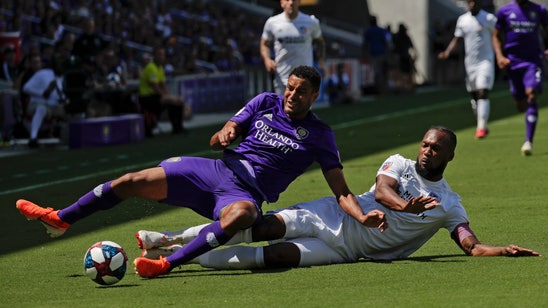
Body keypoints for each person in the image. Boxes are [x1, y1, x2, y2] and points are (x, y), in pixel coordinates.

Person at [15, 66, 387, 278]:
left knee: (242, 215)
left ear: (314, 96)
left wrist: (362, 217)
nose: (292, 96)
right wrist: (224, 133)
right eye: (290, 88)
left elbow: (341, 191)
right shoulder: (264, 103)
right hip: (212, 171)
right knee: (131, 181)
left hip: (241, 194)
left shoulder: (320, 135)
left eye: (301, 92)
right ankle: (60, 218)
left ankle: (165, 264)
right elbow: (218, 137)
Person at [137, 126, 539, 271]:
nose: (427, 151)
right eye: (425, 145)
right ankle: (170, 239)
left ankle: (200, 259)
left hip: (349, 250)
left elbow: (469, 244)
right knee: (259, 226)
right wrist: (403, 207)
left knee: (276, 258)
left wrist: (501, 250)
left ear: (450, 155)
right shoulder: (399, 163)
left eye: (436, 148)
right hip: (332, 214)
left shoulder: (450, 204)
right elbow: (381, 191)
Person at [492, 0, 548, 155]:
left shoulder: (539, 10)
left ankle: (528, 141)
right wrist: (499, 56)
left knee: (532, 94)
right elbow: (496, 36)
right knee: (521, 104)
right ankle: (522, 101)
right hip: (513, 63)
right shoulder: (504, 11)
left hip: (533, 61)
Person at [438, 0, 497, 140]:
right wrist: (447, 52)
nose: (472, 4)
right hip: (470, 64)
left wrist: (501, 54)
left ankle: (481, 128)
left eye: (475, 2)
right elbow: (457, 39)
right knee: (475, 96)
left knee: (483, 91)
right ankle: (482, 123)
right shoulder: (462, 20)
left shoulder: (489, 18)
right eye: (469, 2)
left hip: (486, 61)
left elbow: (497, 37)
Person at [260, 0, 326, 94]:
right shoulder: (272, 23)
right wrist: (266, 59)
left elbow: (320, 42)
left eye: (294, 0)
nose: (291, 3)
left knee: (303, 109)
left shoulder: (311, 22)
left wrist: (321, 61)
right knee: (282, 108)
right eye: (287, 0)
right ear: (282, 3)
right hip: (281, 78)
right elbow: (264, 43)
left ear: (298, 2)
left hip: (305, 79)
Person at [22, 54, 68, 148]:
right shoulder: (42, 73)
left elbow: (61, 98)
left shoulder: (63, 77)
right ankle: (33, 138)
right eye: (59, 63)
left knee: (71, 111)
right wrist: (43, 93)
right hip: (37, 103)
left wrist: (63, 99)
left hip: (54, 107)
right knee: (41, 109)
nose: (61, 66)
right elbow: (26, 88)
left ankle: (70, 137)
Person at [138, 46, 185, 137]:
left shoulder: (160, 68)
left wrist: (170, 96)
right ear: (155, 55)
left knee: (177, 101)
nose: (161, 56)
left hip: (155, 96)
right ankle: (177, 128)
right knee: (173, 101)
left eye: (163, 54)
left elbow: (163, 85)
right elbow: (156, 87)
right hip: (147, 97)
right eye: (159, 54)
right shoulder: (151, 68)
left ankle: (178, 128)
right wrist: (168, 97)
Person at [362, 15, 392, 94]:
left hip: (374, 54)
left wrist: (364, 54)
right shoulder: (382, 30)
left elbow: (365, 44)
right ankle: (384, 89)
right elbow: (388, 43)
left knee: (377, 72)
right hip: (382, 53)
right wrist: (389, 53)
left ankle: (379, 89)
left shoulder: (368, 31)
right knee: (384, 71)